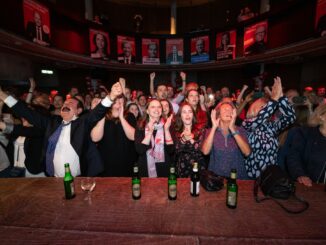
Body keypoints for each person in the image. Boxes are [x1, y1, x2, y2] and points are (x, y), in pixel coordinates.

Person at [0, 82, 123, 177]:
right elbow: (26, 112)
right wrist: (3, 96)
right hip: (53, 178)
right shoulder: (52, 123)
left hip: (78, 179)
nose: (66, 104)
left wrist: (111, 96)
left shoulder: (81, 123)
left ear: (79, 111)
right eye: (65, 103)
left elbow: (97, 112)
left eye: (70, 103)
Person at [242, 77, 296, 178]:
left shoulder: (272, 126)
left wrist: (281, 97)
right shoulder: (247, 124)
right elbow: (260, 118)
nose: (268, 109)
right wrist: (274, 100)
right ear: (252, 109)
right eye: (263, 107)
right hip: (251, 177)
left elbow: (291, 117)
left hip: (270, 177)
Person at [201, 102, 251, 179]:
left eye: (230, 110)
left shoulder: (240, 130)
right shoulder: (210, 131)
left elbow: (247, 152)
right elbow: (205, 151)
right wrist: (214, 127)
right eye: (224, 110)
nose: (228, 111)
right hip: (216, 179)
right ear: (219, 115)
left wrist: (232, 129)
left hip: (238, 178)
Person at [91, 95, 137, 177]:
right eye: (116, 98)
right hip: (106, 163)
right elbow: (95, 138)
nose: (118, 100)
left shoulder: (130, 116)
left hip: (126, 162)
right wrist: (102, 114)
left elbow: (133, 136)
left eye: (121, 98)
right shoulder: (101, 116)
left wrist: (121, 117)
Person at [287, 103, 326, 186]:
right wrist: (300, 175)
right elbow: (293, 157)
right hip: (309, 186)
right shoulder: (305, 134)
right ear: (321, 116)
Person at [135, 99, 174, 177]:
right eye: (153, 107)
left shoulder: (168, 125)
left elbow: (171, 150)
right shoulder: (141, 126)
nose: (156, 109)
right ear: (147, 111)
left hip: (163, 168)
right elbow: (140, 150)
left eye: (159, 107)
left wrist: (166, 130)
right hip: (145, 168)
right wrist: (149, 132)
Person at [174, 103, 206, 177]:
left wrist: (191, 139)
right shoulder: (176, 130)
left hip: (198, 168)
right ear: (180, 115)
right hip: (182, 169)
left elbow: (203, 151)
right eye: (184, 112)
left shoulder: (201, 130)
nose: (187, 115)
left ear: (193, 114)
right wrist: (183, 139)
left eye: (190, 111)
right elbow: (174, 151)